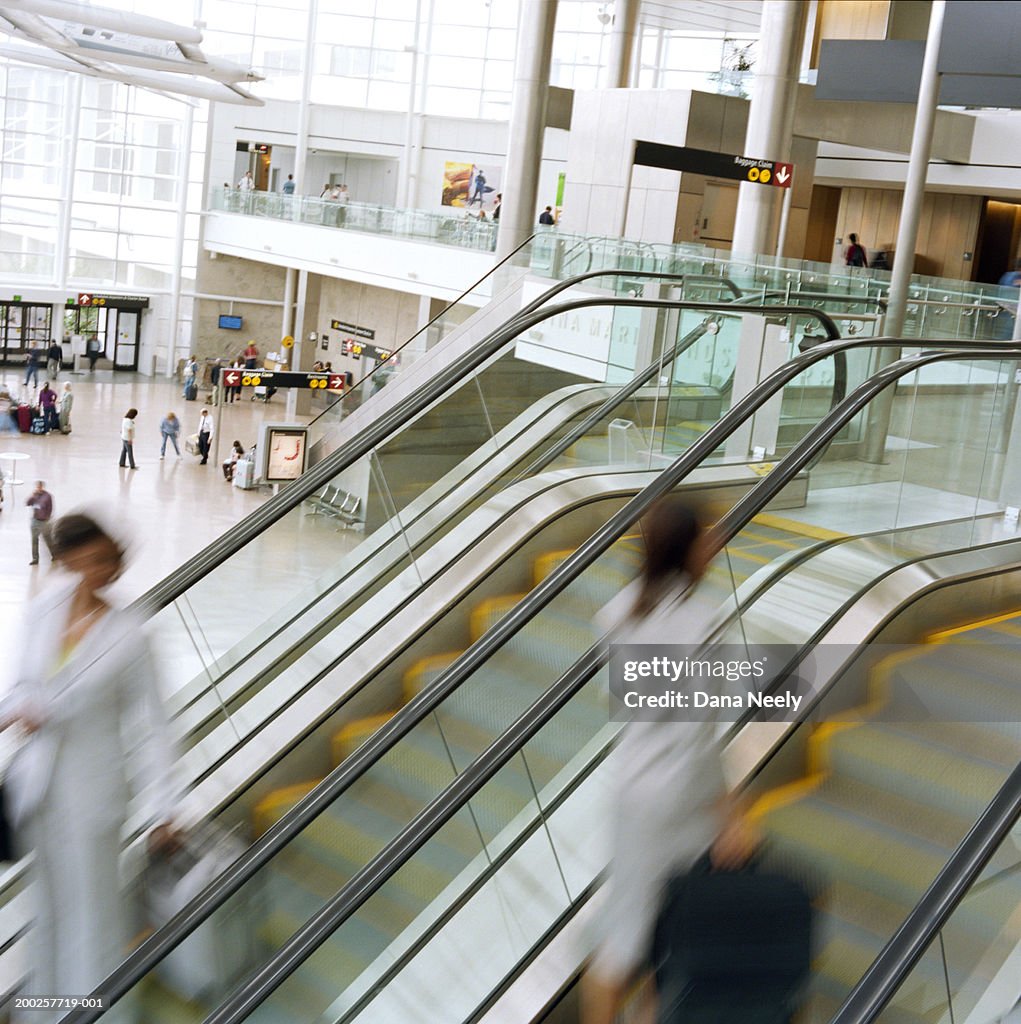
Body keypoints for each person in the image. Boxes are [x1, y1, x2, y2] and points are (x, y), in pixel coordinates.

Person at [580, 497, 756, 1024]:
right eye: (708, 536)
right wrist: (731, 816)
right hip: (681, 805)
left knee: (633, 935)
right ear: (689, 547)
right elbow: (698, 737)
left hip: (634, 793)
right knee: (649, 942)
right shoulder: (701, 624)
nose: (716, 545)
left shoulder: (619, 613)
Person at [0, 513, 179, 1004]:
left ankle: (92, 1013)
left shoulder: (131, 634)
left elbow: (156, 725)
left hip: (94, 795)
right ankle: (46, 1009)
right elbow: (19, 687)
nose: (101, 570)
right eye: (87, 560)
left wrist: (163, 807)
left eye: (107, 560)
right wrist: (17, 711)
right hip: (38, 792)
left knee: (94, 916)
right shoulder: (43, 611)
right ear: (66, 561)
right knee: (50, 910)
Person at [25, 480, 54, 566]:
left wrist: (46, 518)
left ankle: (54, 554)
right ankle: (35, 559)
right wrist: (32, 496)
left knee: (47, 539)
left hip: (44, 521)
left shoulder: (48, 496)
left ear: (42, 487)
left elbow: (50, 509)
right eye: (37, 487)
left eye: (40, 487)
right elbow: (27, 503)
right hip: (35, 520)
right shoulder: (35, 496)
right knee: (34, 540)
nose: (38, 488)